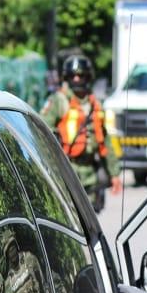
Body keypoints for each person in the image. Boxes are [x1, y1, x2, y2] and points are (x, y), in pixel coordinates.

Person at [40, 53, 121, 212]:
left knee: (90, 220)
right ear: (67, 77)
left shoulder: (95, 104)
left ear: (88, 76)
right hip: (65, 170)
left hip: (90, 173)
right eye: (73, 76)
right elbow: (41, 130)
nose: (77, 79)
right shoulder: (59, 100)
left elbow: (105, 141)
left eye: (81, 75)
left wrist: (115, 173)